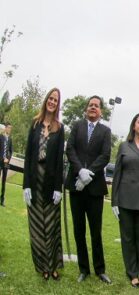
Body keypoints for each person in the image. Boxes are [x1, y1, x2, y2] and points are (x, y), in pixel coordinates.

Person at [65, 96, 112, 284]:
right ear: (86, 109)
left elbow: (106, 155)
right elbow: (70, 150)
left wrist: (89, 173)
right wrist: (80, 171)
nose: (93, 108)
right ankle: (83, 269)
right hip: (75, 186)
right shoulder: (77, 126)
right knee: (79, 230)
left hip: (95, 189)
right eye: (91, 105)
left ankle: (100, 269)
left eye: (97, 106)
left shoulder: (105, 131)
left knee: (95, 231)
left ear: (100, 111)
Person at [110, 113, 139, 288]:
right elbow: (116, 175)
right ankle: (132, 273)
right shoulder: (124, 146)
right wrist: (114, 201)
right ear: (134, 125)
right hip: (125, 200)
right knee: (128, 238)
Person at [23, 88, 65, 280]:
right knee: (37, 227)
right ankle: (43, 267)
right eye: (50, 98)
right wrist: (26, 185)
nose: (52, 102)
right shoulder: (35, 123)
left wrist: (59, 187)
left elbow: (58, 160)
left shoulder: (60, 127)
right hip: (34, 179)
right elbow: (28, 155)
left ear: (58, 104)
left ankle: (54, 265)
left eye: (56, 100)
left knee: (52, 226)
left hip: (50, 183)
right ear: (46, 100)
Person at [0, 123, 12, 206]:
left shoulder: (10, 139)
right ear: (5, 128)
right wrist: (2, 158)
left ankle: (2, 200)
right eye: (8, 128)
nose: (9, 130)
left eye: (10, 128)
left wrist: (8, 159)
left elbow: (11, 151)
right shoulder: (0, 137)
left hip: (6, 163)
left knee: (4, 181)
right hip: (0, 161)